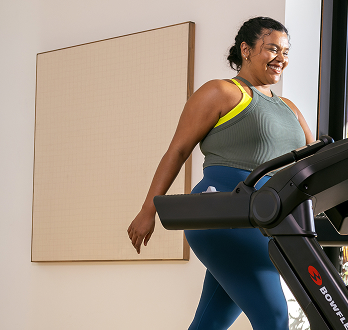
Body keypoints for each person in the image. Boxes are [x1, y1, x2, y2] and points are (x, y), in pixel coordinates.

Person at [127, 16, 314, 330]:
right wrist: (149, 209)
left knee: (209, 323)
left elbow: (313, 162)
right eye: (272, 49)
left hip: (267, 219)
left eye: (285, 51)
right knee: (274, 317)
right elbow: (177, 150)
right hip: (221, 211)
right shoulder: (223, 92)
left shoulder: (290, 108)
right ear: (246, 49)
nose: (281, 58)